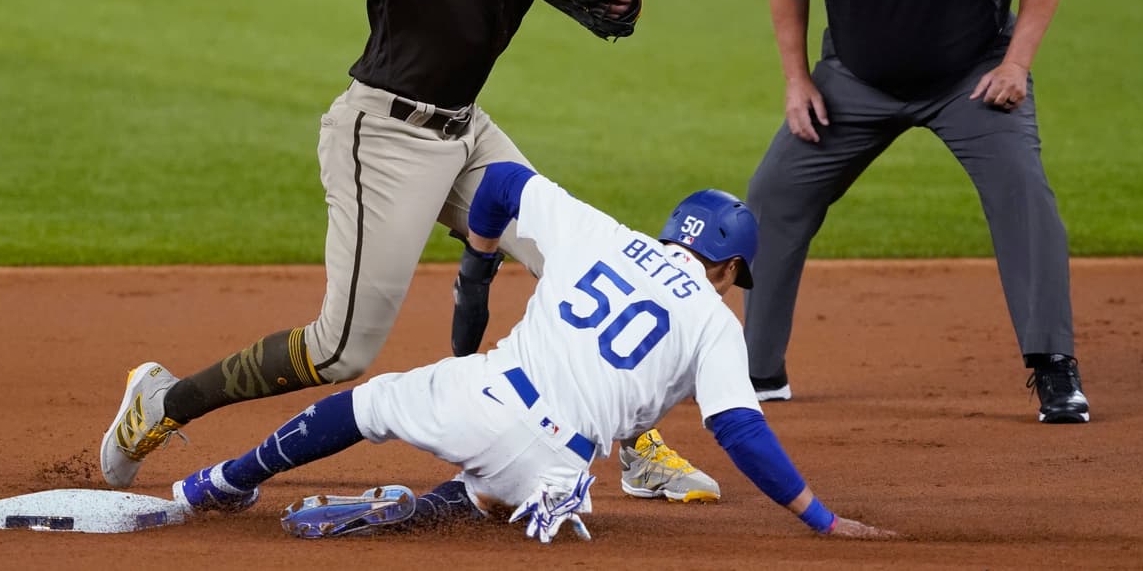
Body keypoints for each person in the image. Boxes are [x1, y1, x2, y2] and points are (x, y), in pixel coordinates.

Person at [99, 0, 714, 500]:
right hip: (384, 137)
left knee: (592, 273)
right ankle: (161, 401)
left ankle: (638, 447)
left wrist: (617, 5)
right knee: (341, 351)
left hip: (470, 132)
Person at [167, 162, 894, 543]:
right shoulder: (715, 321)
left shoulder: (600, 232)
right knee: (489, 489)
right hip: (558, 468)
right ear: (729, 267)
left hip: (485, 397)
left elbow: (504, 183)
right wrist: (821, 518)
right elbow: (739, 427)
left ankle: (221, 482)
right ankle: (428, 510)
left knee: (369, 403)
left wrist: (478, 263)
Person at [745, 0, 1089, 424]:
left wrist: (1017, 63)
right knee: (774, 194)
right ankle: (758, 368)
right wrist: (796, 79)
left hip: (971, 80)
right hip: (853, 80)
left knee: (1024, 193)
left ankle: (1054, 366)